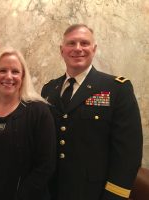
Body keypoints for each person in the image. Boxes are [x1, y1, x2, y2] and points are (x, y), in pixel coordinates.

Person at [41, 24, 143, 200]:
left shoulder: (116, 89)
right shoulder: (49, 89)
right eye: (71, 43)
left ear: (94, 49)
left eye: (84, 43)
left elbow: (128, 153)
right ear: (62, 50)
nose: (78, 48)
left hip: (93, 193)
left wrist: (114, 195)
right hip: (51, 190)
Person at [0, 47, 56, 200]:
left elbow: (46, 165)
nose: (9, 76)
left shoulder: (39, 112)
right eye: (2, 70)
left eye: (15, 71)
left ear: (23, 76)